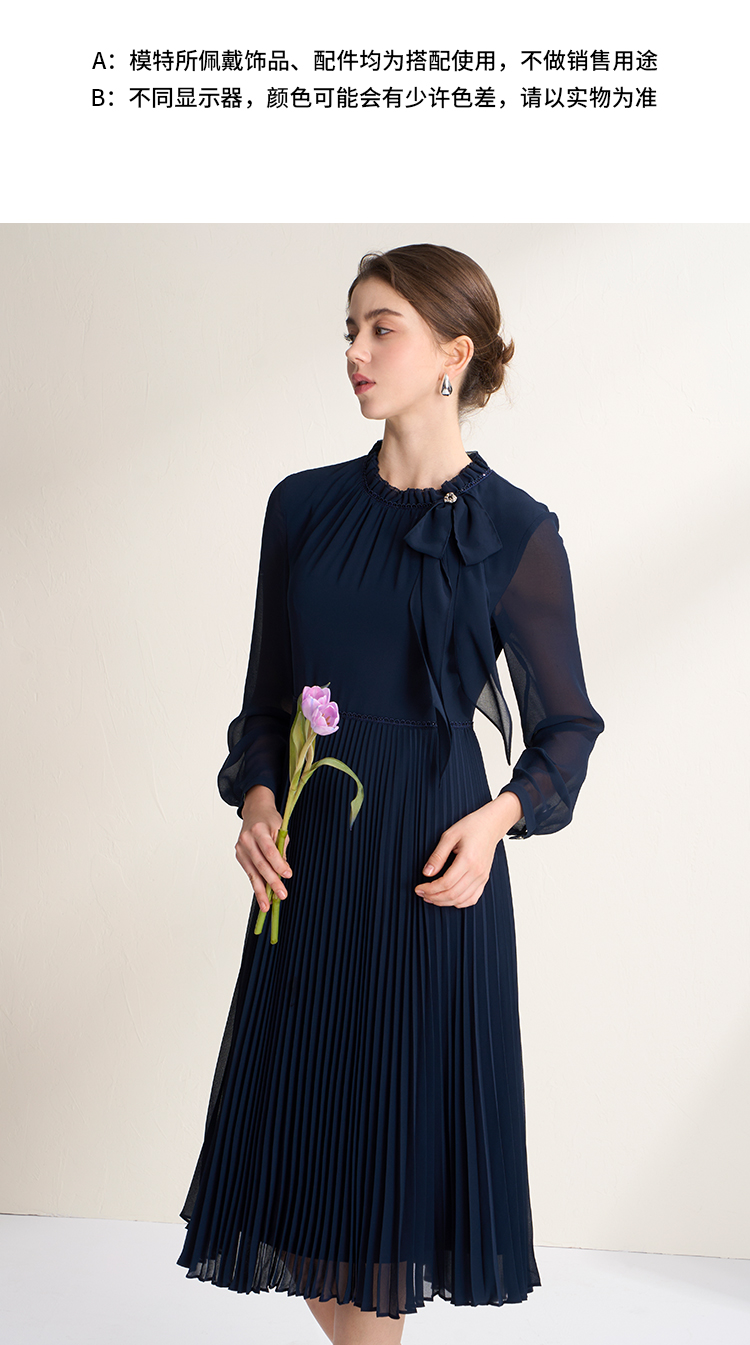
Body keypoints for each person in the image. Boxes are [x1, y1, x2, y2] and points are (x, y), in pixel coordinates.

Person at [176, 243, 604, 1344]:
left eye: (383, 329)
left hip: (430, 865)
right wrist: (257, 802)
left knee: (389, 1171)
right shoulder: (303, 508)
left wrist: (498, 821)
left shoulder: (516, 531)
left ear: (453, 355)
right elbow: (267, 699)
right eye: (351, 331)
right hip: (311, 868)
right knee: (302, 1166)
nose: (356, 353)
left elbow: (566, 731)